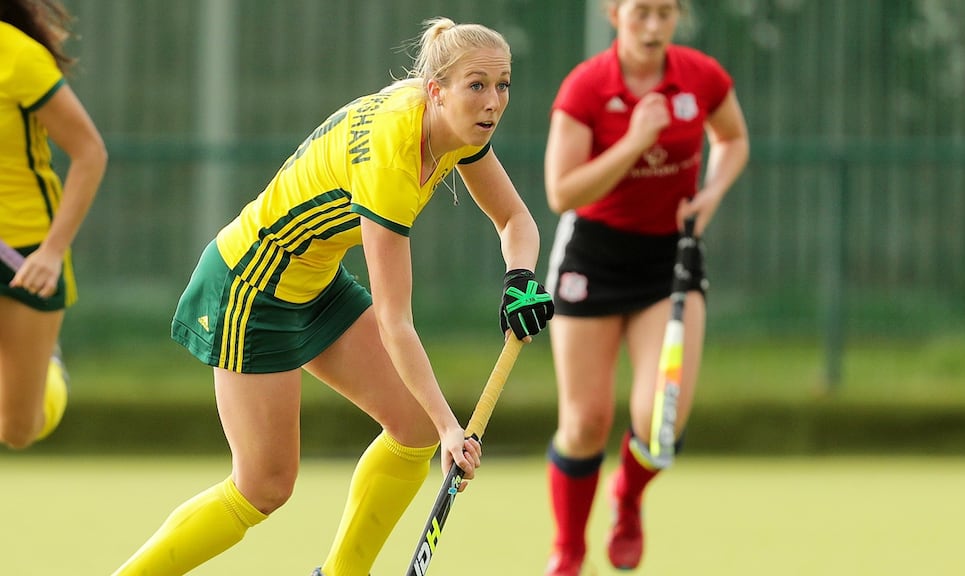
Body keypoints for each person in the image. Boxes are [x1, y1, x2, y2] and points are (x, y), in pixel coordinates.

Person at [111, 16, 553, 576]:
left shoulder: (450, 129)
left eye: (503, 84)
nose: (493, 102)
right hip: (251, 285)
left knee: (411, 428)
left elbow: (514, 217)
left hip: (313, 280)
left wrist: (520, 278)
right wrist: (451, 428)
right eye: (477, 85)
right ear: (436, 91)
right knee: (264, 486)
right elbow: (396, 323)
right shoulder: (394, 157)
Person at [541, 0, 749, 573]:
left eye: (665, 13)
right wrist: (635, 141)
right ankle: (569, 548)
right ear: (614, 14)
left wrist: (711, 194)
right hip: (593, 257)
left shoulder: (701, 75)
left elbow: (733, 140)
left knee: (661, 420)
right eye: (641, 13)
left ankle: (627, 499)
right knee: (585, 421)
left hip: (668, 262)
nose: (653, 27)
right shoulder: (586, 88)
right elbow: (562, 193)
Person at [0, 0, 107, 450]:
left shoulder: (18, 56)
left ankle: (49, 370)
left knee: (17, 430)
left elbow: (89, 154)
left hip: (25, 252)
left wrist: (51, 251)